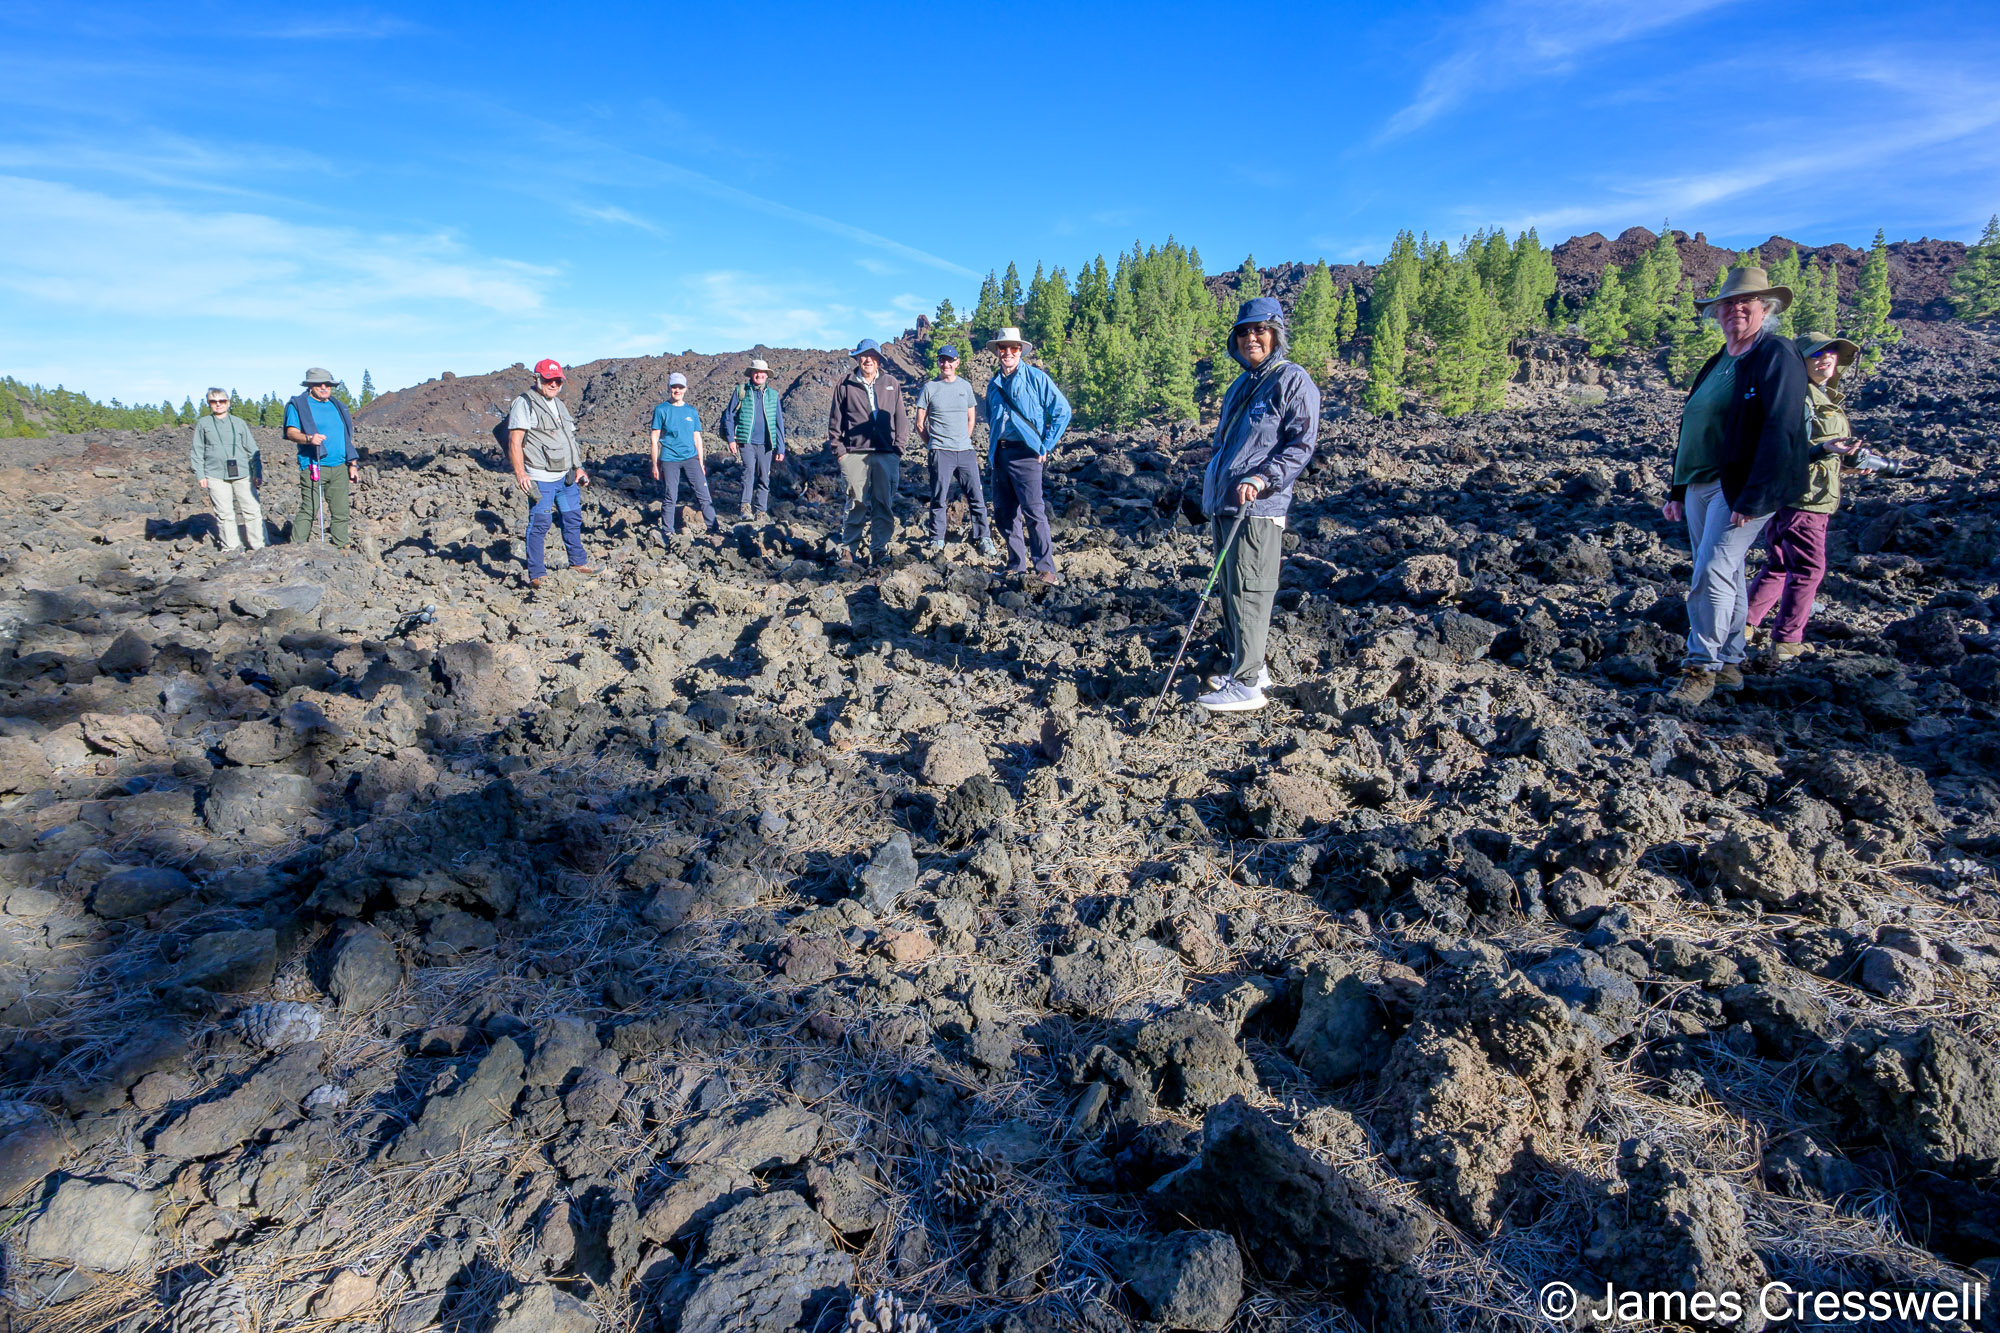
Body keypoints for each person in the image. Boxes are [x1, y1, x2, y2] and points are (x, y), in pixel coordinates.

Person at [1660, 267, 1810, 707]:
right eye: (1727, 303)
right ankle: (1728, 663)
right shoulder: (1718, 361)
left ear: (1766, 308)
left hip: (1741, 486)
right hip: (1701, 482)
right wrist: (1677, 487)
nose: (1736, 310)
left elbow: (1781, 427)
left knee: (1710, 570)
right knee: (1726, 571)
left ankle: (1699, 668)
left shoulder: (1776, 353)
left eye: (1747, 302)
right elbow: (1694, 424)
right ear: (1716, 313)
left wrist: (1756, 494)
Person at [1195, 297, 1321, 713]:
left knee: (1251, 589)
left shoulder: (1292, 380)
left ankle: (1247, 686)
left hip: (1259, 507)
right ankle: (1250, 666)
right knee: (1231, 590)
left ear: (1276, 334)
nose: (1252, 337)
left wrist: (1262, 478)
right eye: (1245, 331)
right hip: (1226, 504)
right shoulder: (1240, 386)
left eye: (1260, 330)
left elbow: (1300, 445)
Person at [1747, 332, 1865, 661]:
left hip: (1793, 496)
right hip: (1805, 500)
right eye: (1816, 354)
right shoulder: (1801, 399)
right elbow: (1784, 449)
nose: (1826, 358)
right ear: (1799, 362)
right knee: (1808, 569)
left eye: (1831, 352)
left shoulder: (1816, 396)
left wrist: (1849, 462)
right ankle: (1787, 642)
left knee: (1781, 564)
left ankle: (1743, 624)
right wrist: (1824, 449)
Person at [982, 327, 1072, 585]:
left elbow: (1062, 411)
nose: (1007, 353)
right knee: (1003, 512)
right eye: (1003, 348)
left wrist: (1045, 445)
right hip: (1000, 454)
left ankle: (1045, 568)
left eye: (1013, 348)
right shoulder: (993, 384)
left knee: (1034, 512)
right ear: (997, 352)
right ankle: (1015, 565)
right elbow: (991, 419)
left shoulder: (1036, 378)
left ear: (1020, 351)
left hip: (1027, 454)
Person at [507, 358, 595, 587]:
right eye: (548, 379)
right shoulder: (524, 403)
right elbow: (515, 441)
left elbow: (570, 438)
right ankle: (537, 574)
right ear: (537, 378)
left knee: (572, 518)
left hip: (565, 477)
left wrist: (578, 467)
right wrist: (520, 474)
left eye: (558, 381)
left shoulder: (559, 405)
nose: (554, 384)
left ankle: (578, 562)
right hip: (541, 478)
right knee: (540, 523)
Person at [825, 339, 908, 566]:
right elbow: (835, 421)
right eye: (863, 355)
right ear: (857, 359)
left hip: (885, 453)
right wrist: (840, 452)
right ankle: (849, 550)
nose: (868, 359)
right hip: (854, 454)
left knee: (883, 503)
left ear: (879, 359)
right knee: (856, 502)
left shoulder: (891, 383)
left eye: (872, 355)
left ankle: (878, 549)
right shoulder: (845, 384)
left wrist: (898, 449)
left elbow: (901, 418)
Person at [915, 345, 993, 557]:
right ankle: (937, 540)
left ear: (957, 363)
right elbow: (920, 423)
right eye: (942, 360)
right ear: (938, 362)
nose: (946, 364)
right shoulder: (929, 388)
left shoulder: (965, 387)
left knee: (976, 495)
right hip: (941, 451)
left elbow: (971, 417)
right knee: (939, 498)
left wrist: (965, 439)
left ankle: (983, 538)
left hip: (965, 451)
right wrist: (933, 444)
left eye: (950, 360)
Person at [284, 368, 360, 547]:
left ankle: (341, 546)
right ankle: (297, 548)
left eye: (328, 384)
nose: (324, 387)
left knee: (341, 511)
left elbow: (345, 436)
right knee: (310, 509)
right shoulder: (299, 405)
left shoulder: (338, 406)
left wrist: (353, 464)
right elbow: (291, 432)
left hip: (340, 466)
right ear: (310, 386)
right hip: (313, 464)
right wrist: (309, 439)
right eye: (319, 384)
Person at [190, 387, 265, 551]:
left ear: (228, 402)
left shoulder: (239, 423)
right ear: (208, 403)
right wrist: (200, 474)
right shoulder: (204, 423)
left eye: (222, 401)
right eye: (213, 401)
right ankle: (231, 548)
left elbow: (252, 449)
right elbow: (197, 451)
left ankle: (259, 546)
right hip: (215, 475)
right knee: (224, 514)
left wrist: (257, 472)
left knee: (252, 510)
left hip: (243, 473)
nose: (218, 404)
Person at [650, 372, 717, 541]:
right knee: (670, 494)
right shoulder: (661, 410)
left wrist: (701, 462)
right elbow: (654, 439)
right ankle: (668, 531)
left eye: (680, 387)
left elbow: (697, 438)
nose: (677, 390)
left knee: (703, 493)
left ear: (685, 389)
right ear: (669, 388)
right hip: (669, 458)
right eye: (674, 387)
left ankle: (714, 529)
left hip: (691, 458)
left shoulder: (691, 411)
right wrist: (655, 465)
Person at [720, 357, 785, 521]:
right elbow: (729, 415)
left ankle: (761, 511)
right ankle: (745, 507)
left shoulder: (773, 395)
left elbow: (779, 422)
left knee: (764, 476)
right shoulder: (741, 391)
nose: (760, 375)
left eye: (763, 373)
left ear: (767, 375)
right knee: (748, 472)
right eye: (757, 372)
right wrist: (730, 439)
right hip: (746, 440)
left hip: (766, 444)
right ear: (751, 374)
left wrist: (781, 447)